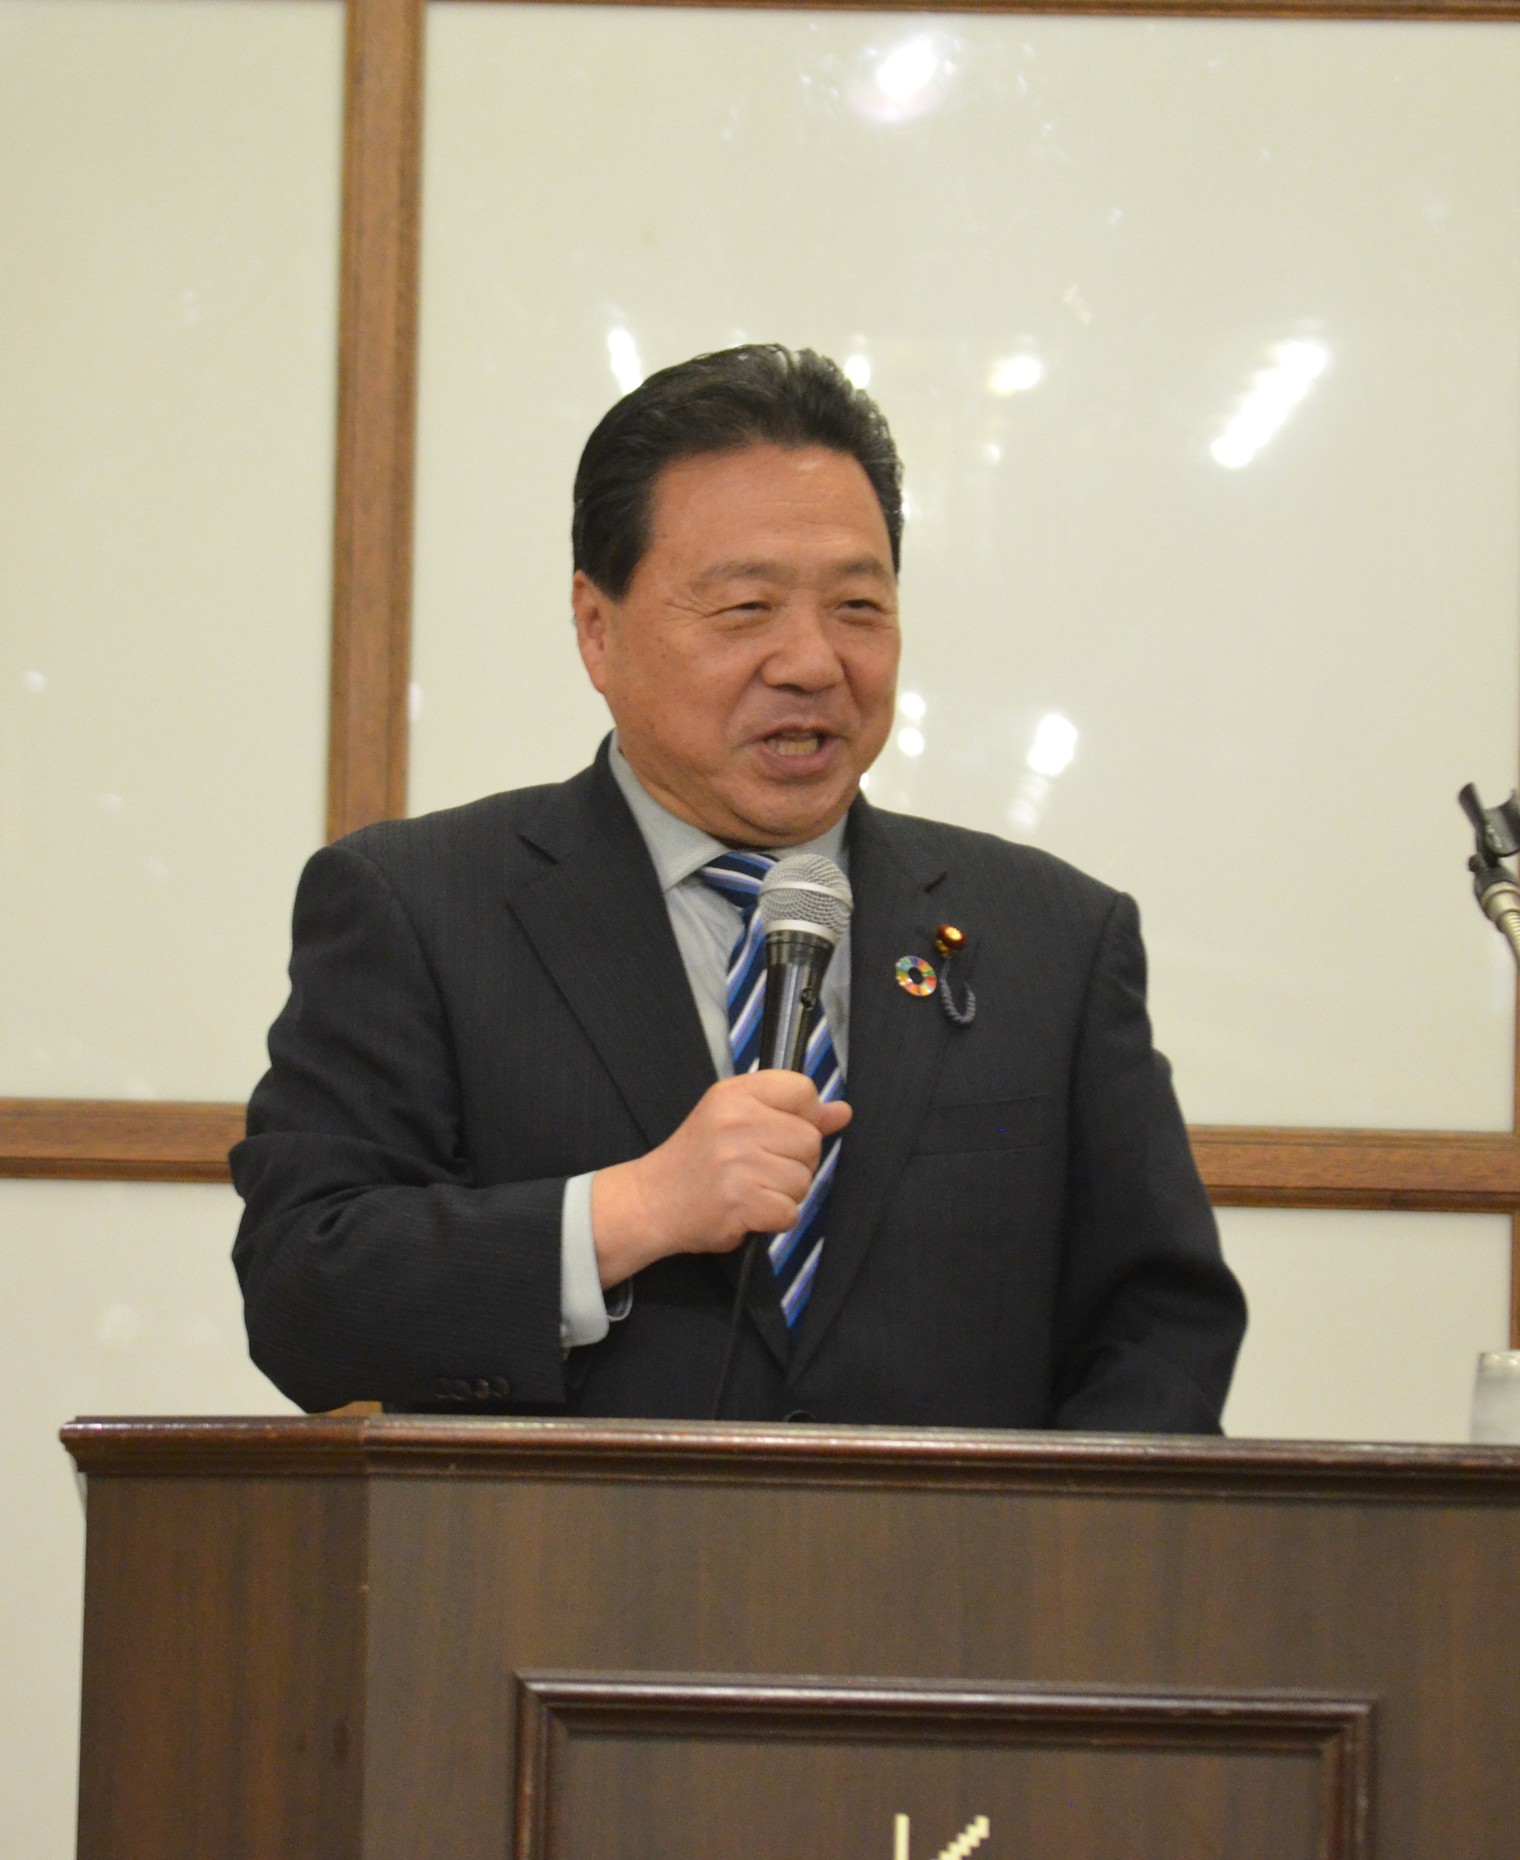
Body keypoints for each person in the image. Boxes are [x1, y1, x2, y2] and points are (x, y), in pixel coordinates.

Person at [232, 344, 1245, 1429]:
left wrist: (1045, 1533)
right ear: (596, 628)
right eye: (746, 608)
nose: (811, 662)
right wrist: (627, 1212)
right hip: (566, 1545)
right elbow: (305, 1297)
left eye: (857, 606)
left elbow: (1160, 1325)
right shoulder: (420, 907)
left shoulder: (1054, 937)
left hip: (957, 1546)